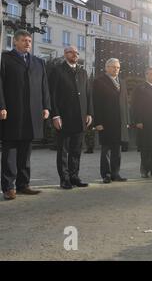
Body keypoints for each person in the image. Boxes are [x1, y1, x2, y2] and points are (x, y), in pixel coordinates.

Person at [0, 30, 51, 200]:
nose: (28, 43)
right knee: (10, 152)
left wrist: (46, 107)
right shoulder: (5, 59)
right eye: (24, 40)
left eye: (29, 40)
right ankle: (8, 187)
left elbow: (44, 87)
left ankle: (23, 185)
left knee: (26, 152)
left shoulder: (38, 62)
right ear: (15, 42)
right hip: (12, 113)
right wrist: (2, 106)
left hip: (32, 113)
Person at [49, 46, 92, 189]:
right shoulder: (57, 70)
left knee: (76, 150)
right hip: (64, 118)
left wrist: (89, 113)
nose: (75, 54)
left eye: (77, 53)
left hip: (80, 118)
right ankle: (64, 179)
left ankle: (74, 176)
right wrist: (55, 115)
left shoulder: (83, 72)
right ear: (65, 54)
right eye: (71, 52)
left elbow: (88, 94)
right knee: (64, 151)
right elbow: (52, 95)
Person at [93, 58, 129, 184]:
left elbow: (125, 103)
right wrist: (97, 122)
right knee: (106, 150)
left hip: (119, 122)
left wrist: (126, 121)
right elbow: (96, 103)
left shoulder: (123, 82)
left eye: (118, 67)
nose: (116, 69)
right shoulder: (99, 81)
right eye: (113, 67)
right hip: (106, 122)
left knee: (117, 150)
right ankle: (106, 175)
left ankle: (116, 173)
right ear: (106, 68)